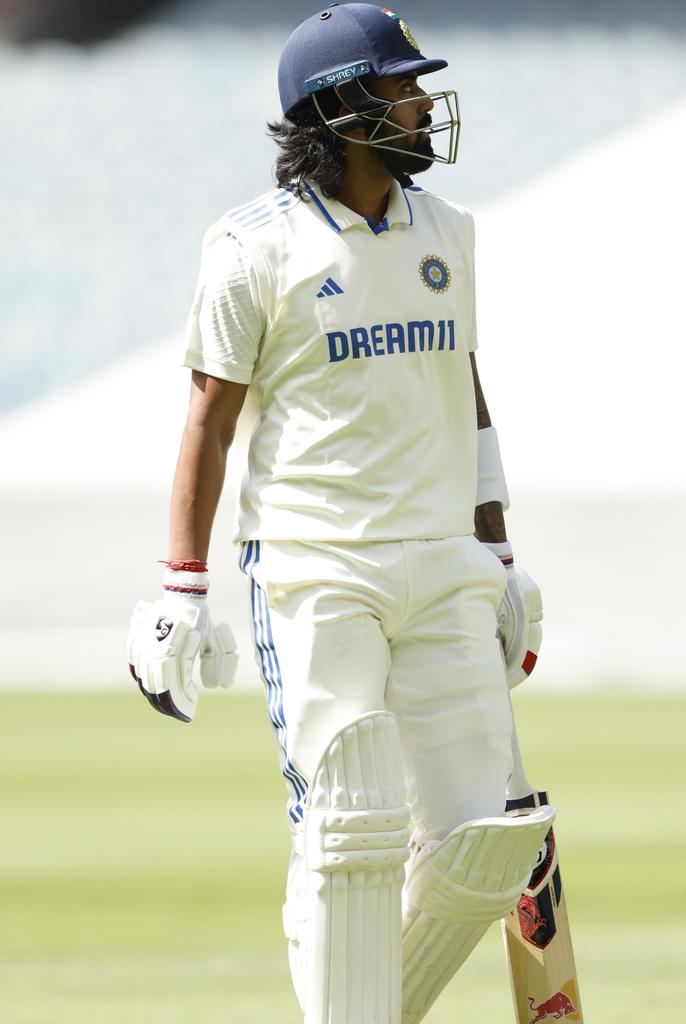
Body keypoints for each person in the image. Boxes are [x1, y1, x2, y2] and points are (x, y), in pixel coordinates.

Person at [127, 5, 549, 1022]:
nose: (420, 103)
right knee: (351, 826)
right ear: (342, 108)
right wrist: (182, 591)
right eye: (401, 86)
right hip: (317, 568)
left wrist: (499, 553)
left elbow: (468, 389)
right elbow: (207, 427)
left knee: (487, 849)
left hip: (445, 558)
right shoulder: (248, 249)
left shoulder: (450, 231)